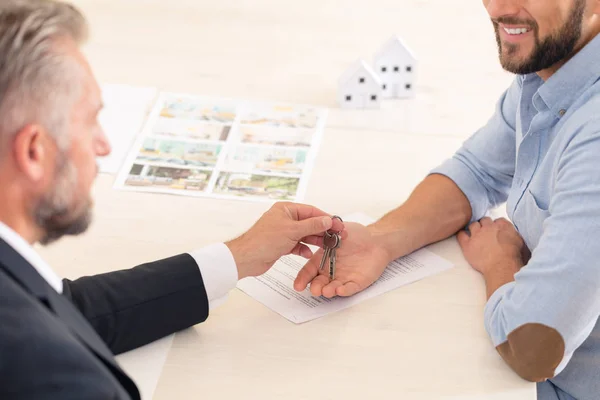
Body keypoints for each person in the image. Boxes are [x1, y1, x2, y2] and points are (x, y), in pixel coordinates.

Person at [0, 1, 344, 399]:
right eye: (90, 120)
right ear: (33, 151)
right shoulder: (56, 377)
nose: (104, 145)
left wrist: (239, 256)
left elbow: (62, 309)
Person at [295, 0, 600, 399]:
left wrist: (499, 262)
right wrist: (382, 239)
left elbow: (533, 350)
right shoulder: (554, 68)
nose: (498, 8)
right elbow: (477, 170)